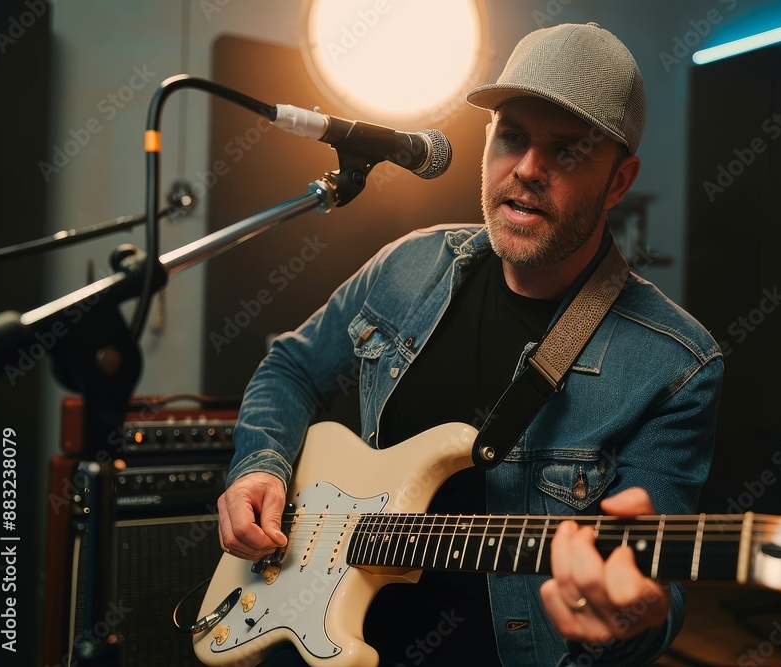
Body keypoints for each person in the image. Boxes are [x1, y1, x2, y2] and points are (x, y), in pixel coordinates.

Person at [217, 21, 723, 667]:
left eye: (567, 151)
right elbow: (290, 365)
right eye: (512, 137)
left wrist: (638, 613)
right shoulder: (409, 264)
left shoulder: (677, 363)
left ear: (619, 181)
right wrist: (260, 465)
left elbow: (654, 583)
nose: (530, 169)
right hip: (329, 635)